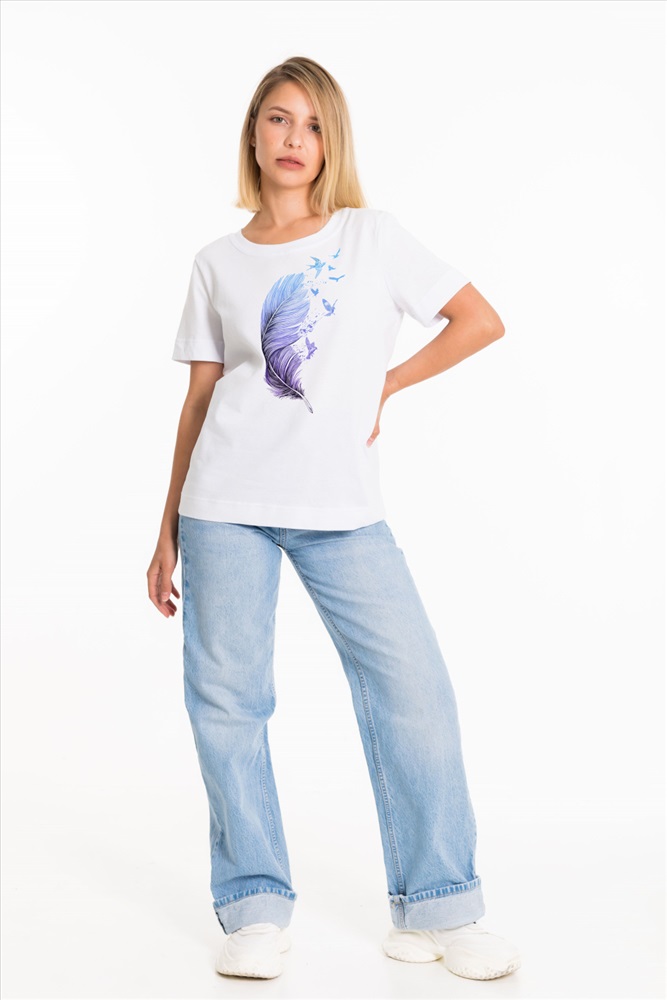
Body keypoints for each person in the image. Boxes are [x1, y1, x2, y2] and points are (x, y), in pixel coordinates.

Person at [147, 55, 521, 983]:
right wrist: (166, 530)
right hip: (223, 505)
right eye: (279, 119)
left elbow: (478, 320)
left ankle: (439, 905)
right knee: (228, 705)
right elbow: (199, 401)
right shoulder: (216, 262)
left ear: (331, 143)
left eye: (313, 125)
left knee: (413, 691)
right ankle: (253, 908)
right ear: (253, 133)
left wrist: (383, 383)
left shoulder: (369, 236)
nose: (294, 139)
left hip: (341, 508)